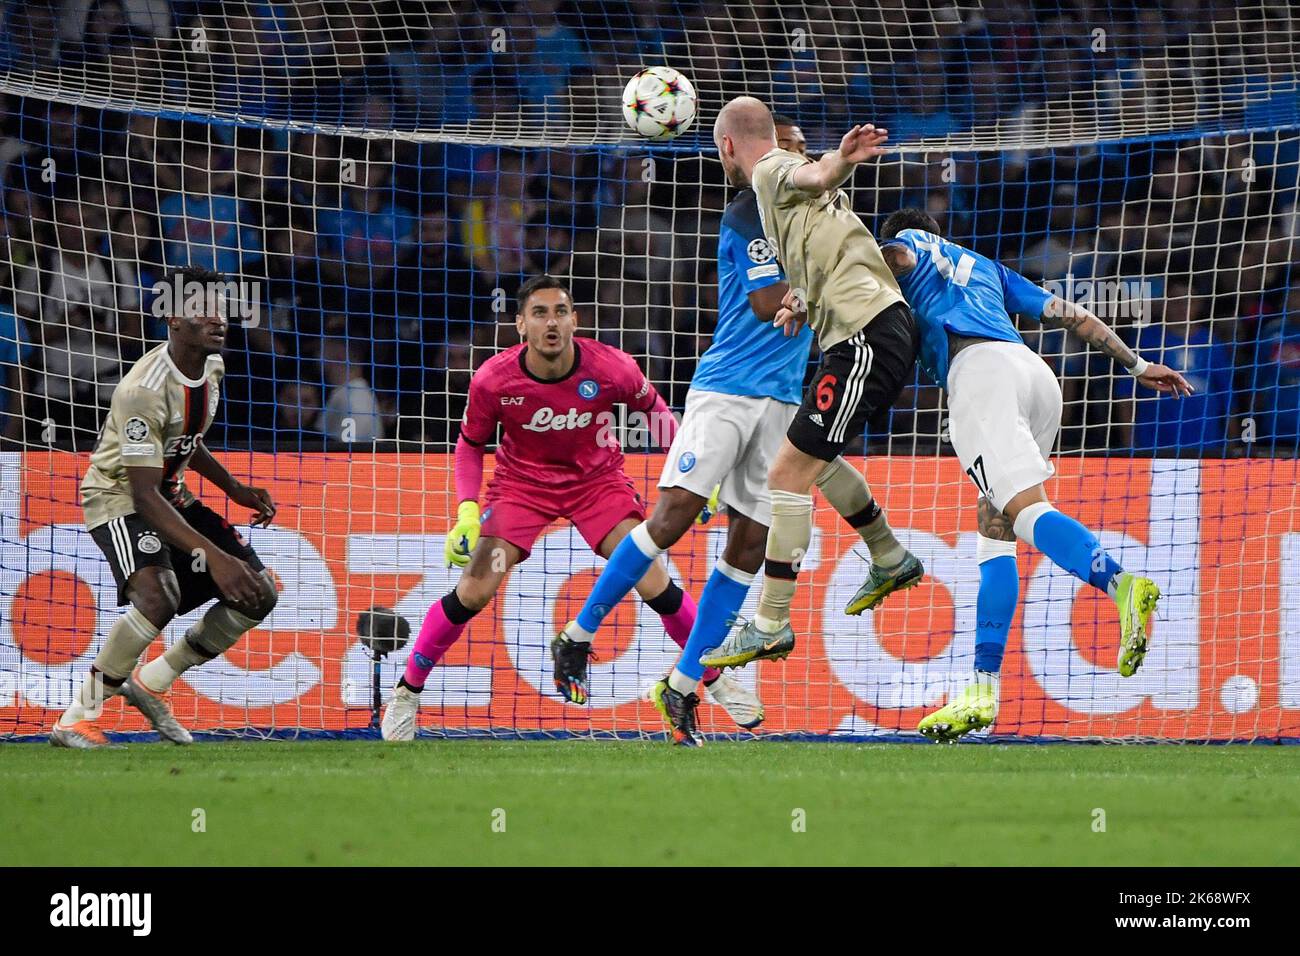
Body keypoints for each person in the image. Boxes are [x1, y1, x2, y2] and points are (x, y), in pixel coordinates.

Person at [558, 117, 921, 746]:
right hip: (727, 389)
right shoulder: (750, 211)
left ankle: (682, 686)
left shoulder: (808, 214)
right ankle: (578, 634)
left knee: (751, 545)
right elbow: (764, 302)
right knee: (672, 516)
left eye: (800, 148)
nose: (793, 157)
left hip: (782, 397)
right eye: (786, 148)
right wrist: (830, 282)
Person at [380, 275, 757, 740]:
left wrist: (692, 475)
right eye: (539, 313)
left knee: (654, 581)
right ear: (521, 324)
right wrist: (467, 512)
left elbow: (657, 414)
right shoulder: (494, 379)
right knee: (474, 590)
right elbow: (471, 444)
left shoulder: (612, 367)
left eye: (560, 312)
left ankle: (713, 680)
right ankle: (407, 692)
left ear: (574, 320)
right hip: (521, 488)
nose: (551, 323)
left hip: (597, 484)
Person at [875, 208, 1192, 741]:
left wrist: (852, 261)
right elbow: (1071, 314)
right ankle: (982, 690)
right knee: (995, 530)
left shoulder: (908, 245)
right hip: (1036, 378)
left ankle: (1121, 583)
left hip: (980, 375)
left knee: (1024, 513)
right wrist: (1137, 365)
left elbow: (898, 255)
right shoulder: (987, 268)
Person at [699, 98, 924, 672]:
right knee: (810, 460)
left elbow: (816, 173)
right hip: (869, 333)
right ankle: (889, 555)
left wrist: (840, 160)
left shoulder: (769, 170)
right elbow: (829, 247)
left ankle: (771, 622)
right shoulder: (787, 208)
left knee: (785, 474)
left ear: (728, 146)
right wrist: (802, 298)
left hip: (866, 337)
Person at [53, 266, 278, 748]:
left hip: (169, 491)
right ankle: (76, 718)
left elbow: (184, 437)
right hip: (119, 497)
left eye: (221, 308)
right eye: (203, 309)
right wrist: (213, 557)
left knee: (259, 594)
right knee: (159, 597)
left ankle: (152, 682)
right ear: (174, 318)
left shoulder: (211, 365)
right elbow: (143, 495)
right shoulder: (143, 391)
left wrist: (234, 488)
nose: (218, 318)